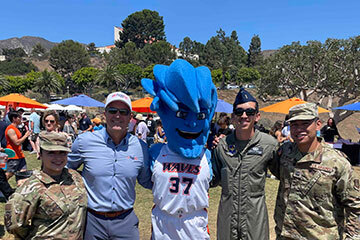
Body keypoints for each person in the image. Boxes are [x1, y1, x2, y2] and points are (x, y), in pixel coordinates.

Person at [142, 59, 217, 239]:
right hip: (164, 223)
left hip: (194, 222)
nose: (191, 122)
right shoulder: (155, 152)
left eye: (199, 115)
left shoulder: (207, 155)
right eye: (182, 114)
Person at [67, 91, 152, 240]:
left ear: (130, 117)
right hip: (92, 221)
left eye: (123, 112)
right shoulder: (84, 141)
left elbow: (146, 181)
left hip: (125, 221)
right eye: (113, 111)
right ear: (105, 114)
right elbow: (67, 169)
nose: (117, 116)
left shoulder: (141, 147)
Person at [272, 102, 360, 239]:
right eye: (294, 125)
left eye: (305, 123)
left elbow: (355, 206)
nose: (299, 129)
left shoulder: (336, 162)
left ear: (318, 124)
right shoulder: (284, 152)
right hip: (285, 235)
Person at [211, 88, 278, 240]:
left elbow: (283, 173)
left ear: (257, 116)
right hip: (227, 220)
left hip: (254, 220)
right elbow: (212, 179)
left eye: (249, 112)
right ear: (233, 117)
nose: (244, 116)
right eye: (239, 112)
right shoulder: (221, 145)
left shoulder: (269, 145)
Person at [5, 131, 87, 239]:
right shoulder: (31, 187)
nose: (58, 158)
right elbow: (15, 225)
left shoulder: (75, 178)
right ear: (40, 154)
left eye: (62, 152)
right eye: (51, 153)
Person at [5, 111, 31, 183]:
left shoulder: (16, 128)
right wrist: (26, 135)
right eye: (19, 117)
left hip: (20, 155)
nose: (21, 119)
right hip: (13, 156)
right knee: (9, 174)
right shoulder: (10, 129)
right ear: (14, 119)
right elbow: (16, 142)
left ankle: (20, 188)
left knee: (23, 173)